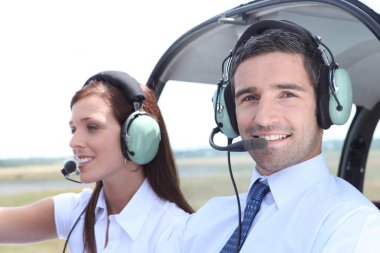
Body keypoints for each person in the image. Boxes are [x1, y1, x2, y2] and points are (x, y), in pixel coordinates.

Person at [178, 20, 380, 252]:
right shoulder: (206, 220)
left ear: (326, 106)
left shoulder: (352, 226)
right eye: (249, 98)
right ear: (230, 116)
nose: (263, 119)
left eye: (287, 94)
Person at [0, 70, 193, 252]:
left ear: (136, 135)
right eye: (73, 129)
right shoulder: (78, 212)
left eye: (92, 127)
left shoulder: (174, 232)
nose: (74, 142)